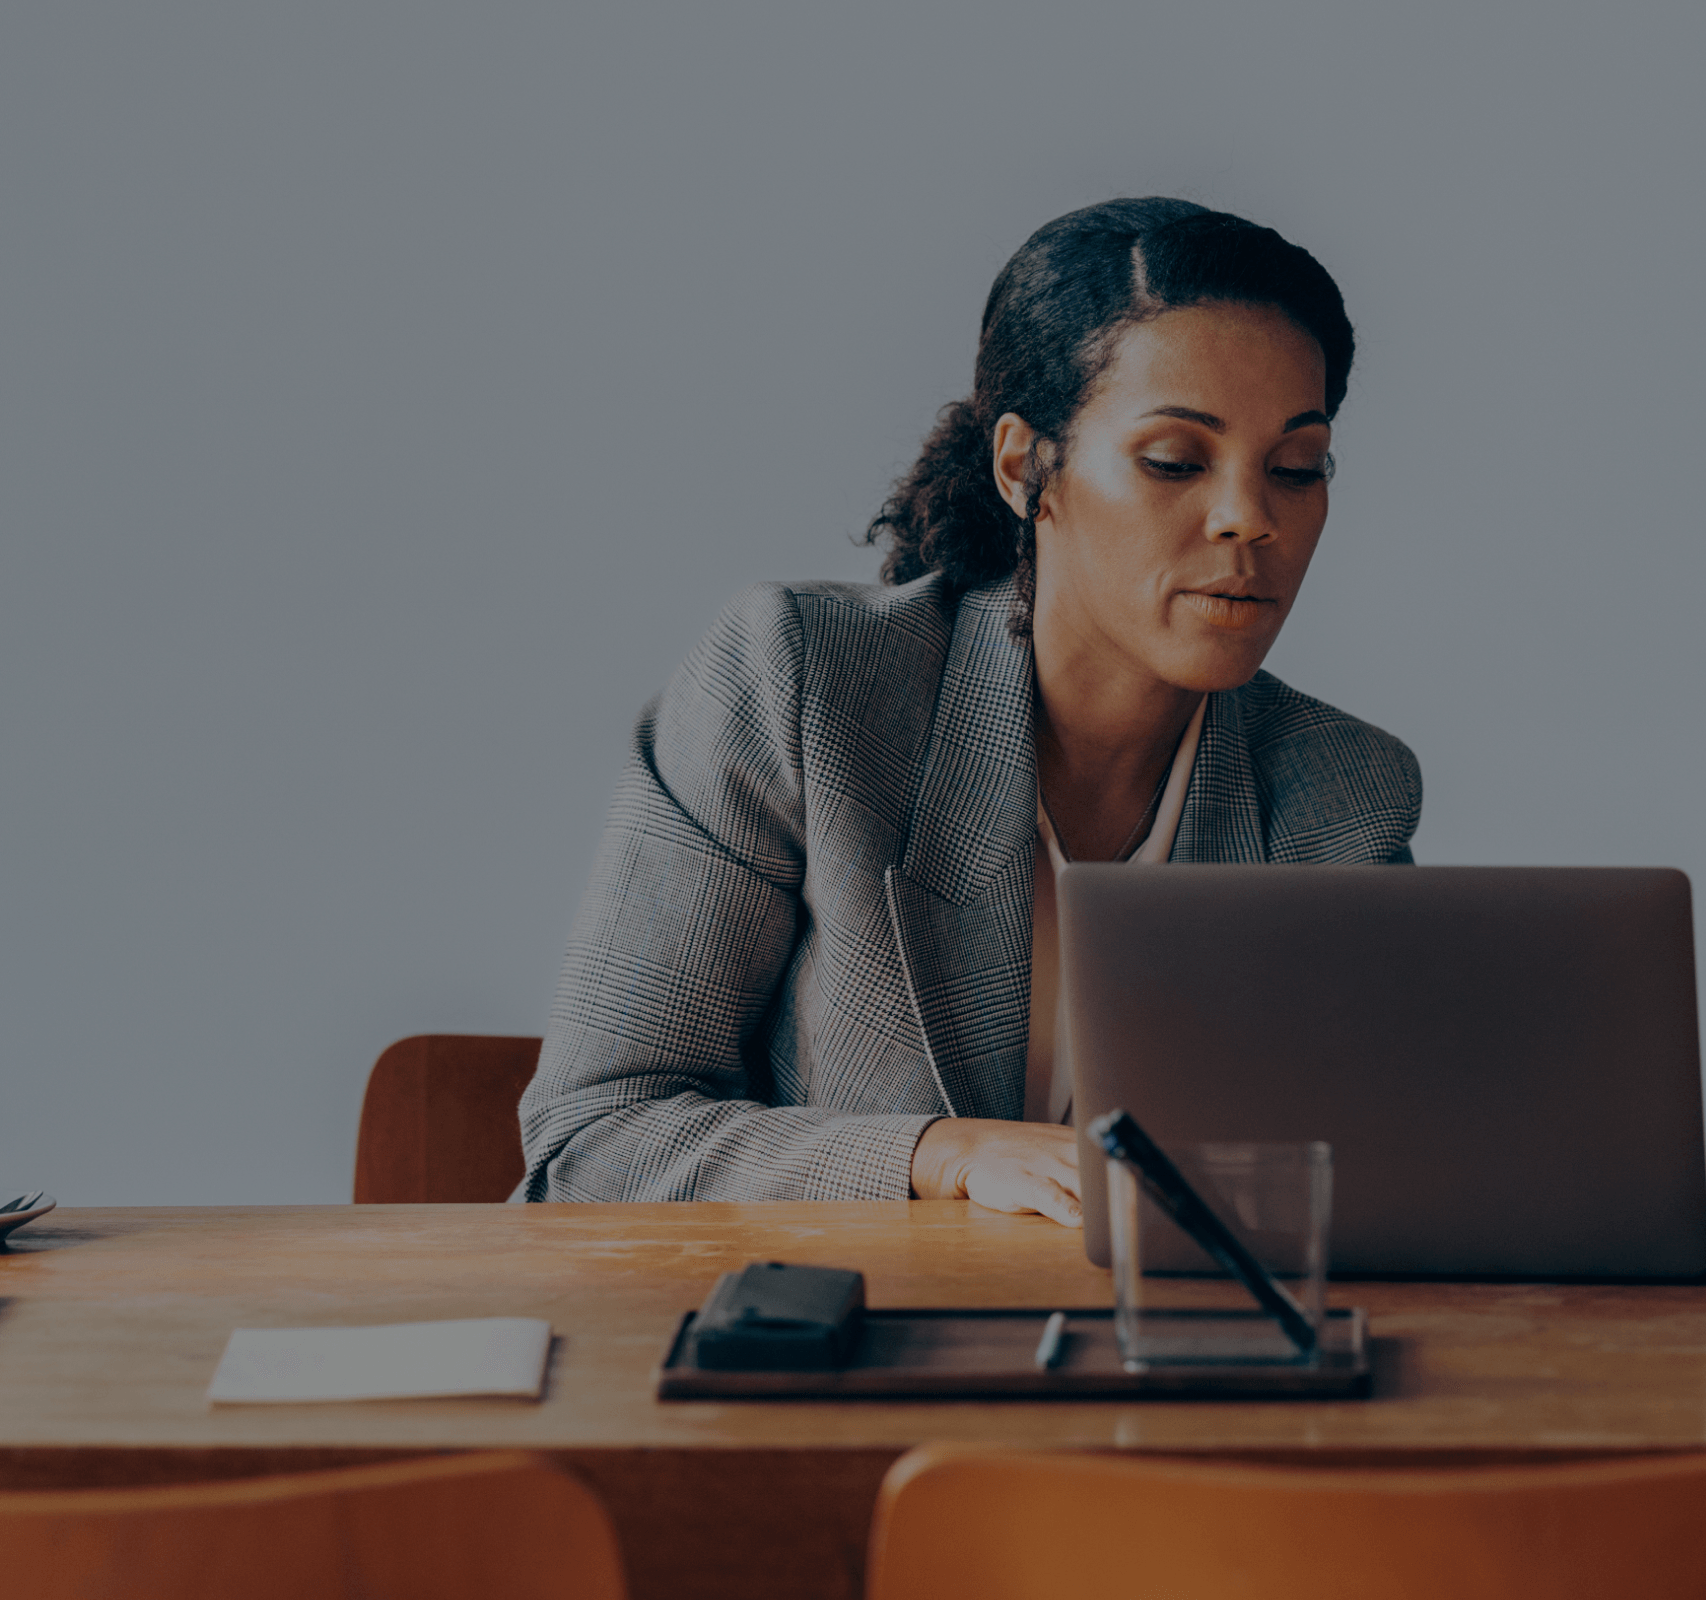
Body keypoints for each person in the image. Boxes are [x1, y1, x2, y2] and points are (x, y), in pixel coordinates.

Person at [520, 199, 1420, 1222]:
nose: (1249, 517)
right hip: (836, 1354)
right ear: (1024, 467)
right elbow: (590, 1141)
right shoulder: (801, 683)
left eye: (1296, 468)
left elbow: (1371, 1178)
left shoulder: (1343, 791)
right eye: (1175, 459)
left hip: (1166, 1365)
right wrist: (936, 1155)